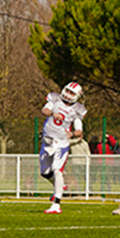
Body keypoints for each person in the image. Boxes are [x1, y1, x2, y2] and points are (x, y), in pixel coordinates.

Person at [40, 82, 87, 214]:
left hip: (61, 142)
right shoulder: (55, 99)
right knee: (45, 172)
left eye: (72, 93)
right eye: (67, 90)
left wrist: (72, 134)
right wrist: (53, 114)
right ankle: (60, 186)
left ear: (77, 96)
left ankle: (56, 204)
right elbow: (45, 110)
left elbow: (79, 131)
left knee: (57, 169)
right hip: (47, 140)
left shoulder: (78, 109)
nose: (68, 94)